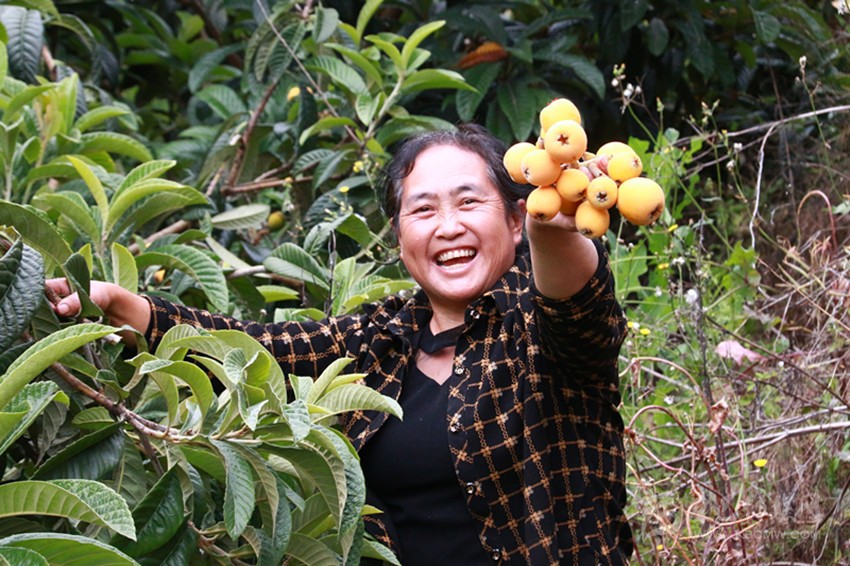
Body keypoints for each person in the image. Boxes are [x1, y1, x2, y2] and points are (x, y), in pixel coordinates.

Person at [48, 123, 633, 565]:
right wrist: (118, 304)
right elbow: (254, 348)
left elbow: (576, 309)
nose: (447, 226)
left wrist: (552, 230)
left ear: (513, 220)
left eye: (469, 202)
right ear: (399, 238)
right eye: (422, 209)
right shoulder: (383, 336)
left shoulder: (536, 322)